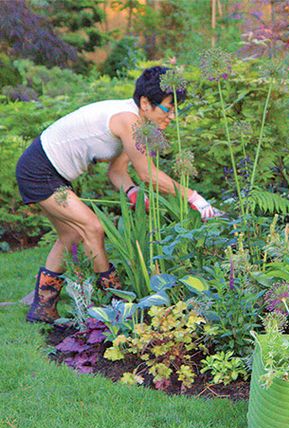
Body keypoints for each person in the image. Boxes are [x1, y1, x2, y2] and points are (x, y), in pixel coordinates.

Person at [16, 66, 221, 324]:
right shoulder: (129, 121)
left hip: (50, 171)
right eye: (168, 109)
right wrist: (193, 197)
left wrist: (135, 195)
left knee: (71, 235)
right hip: (39, 170)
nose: (172, 117)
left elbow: (117, 172)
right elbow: (148, 173)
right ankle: (117, 305)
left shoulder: (136, 123)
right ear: (146, 103)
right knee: (92, 228)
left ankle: (42, 309)